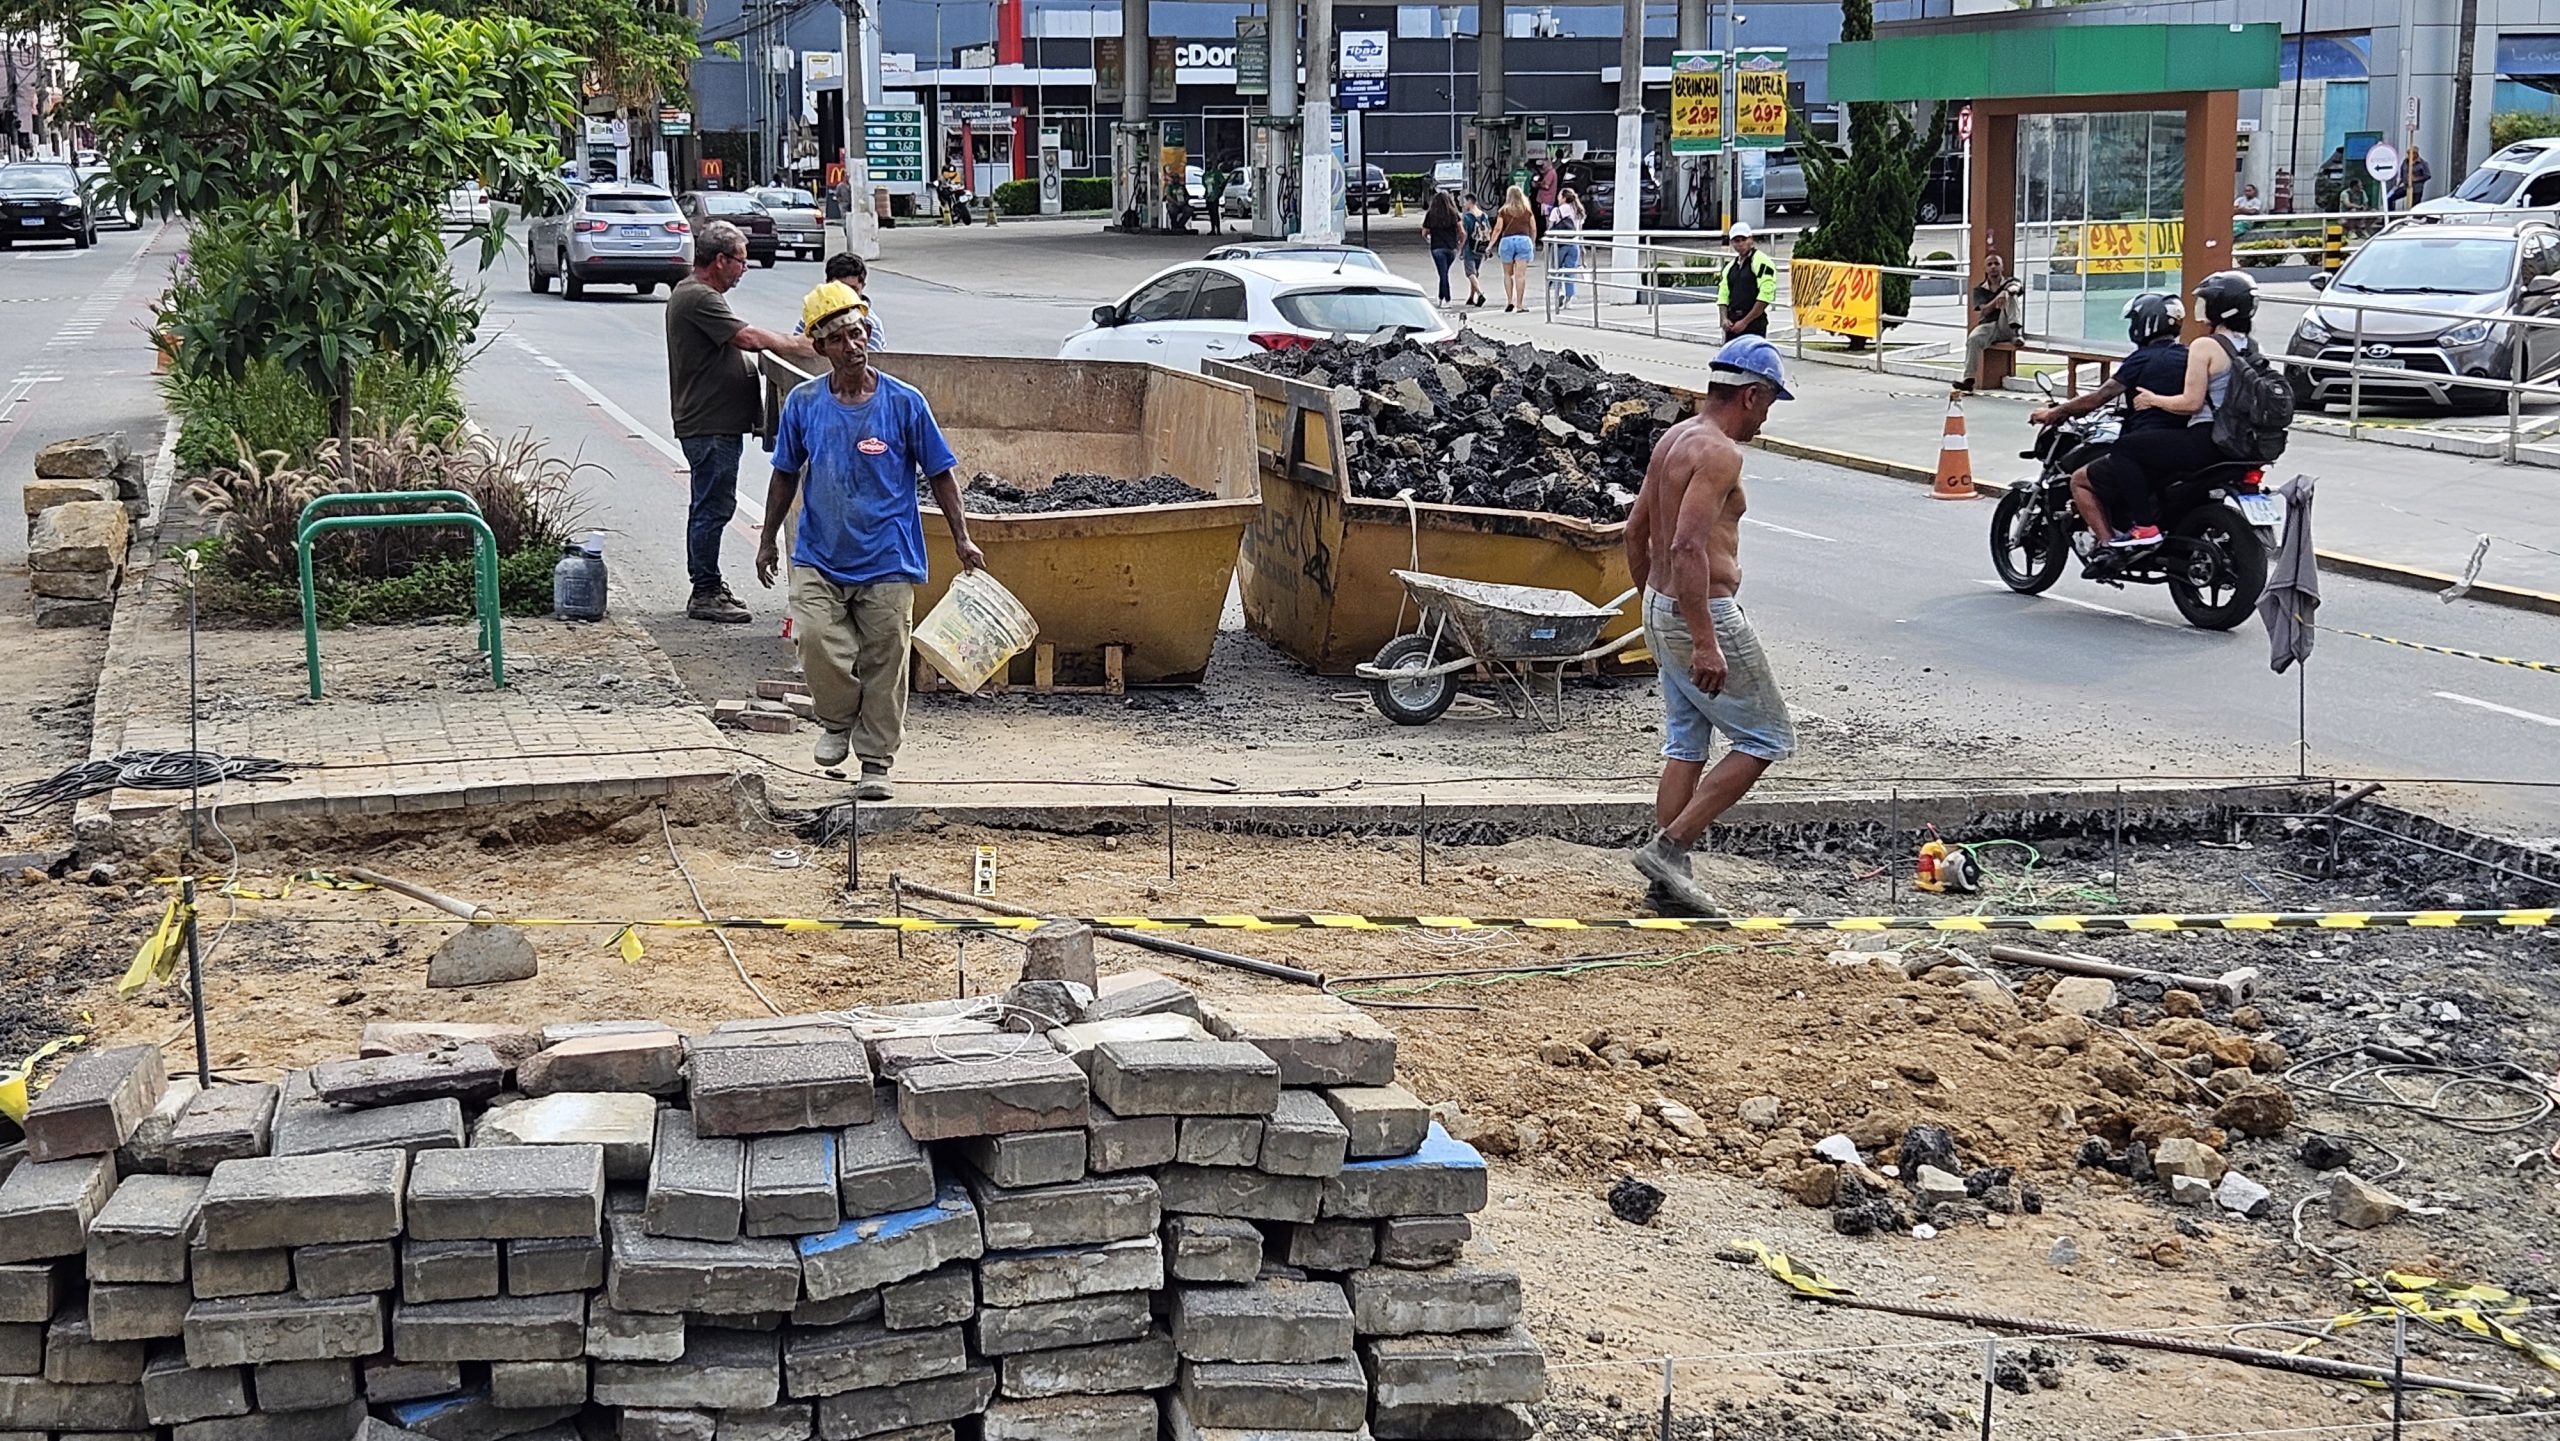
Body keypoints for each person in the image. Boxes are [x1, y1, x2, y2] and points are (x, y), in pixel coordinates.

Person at [755, 281, 986, 798]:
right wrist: (768, 538)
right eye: (838, 339)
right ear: (820, 348)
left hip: (888, 556)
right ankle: (837, 721)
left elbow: (941, 473)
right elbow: (784, 473)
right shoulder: (804, 404)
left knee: (887, 659)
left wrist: (962, 539)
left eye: (857, 333)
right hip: (819, 552)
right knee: (815, 639)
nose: (852, 346)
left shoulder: (905, 403)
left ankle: (877, 761)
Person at [1621, 336, 1797, 916]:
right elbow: (1688, 544)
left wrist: (1656, 603)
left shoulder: (1674, 437)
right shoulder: (1720, 453)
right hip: (1704, 611)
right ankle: (1669, 850)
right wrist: (1703, 638)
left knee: (1687, 743)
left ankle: (1666, 885)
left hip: (1663, 603)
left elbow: (1634, 534)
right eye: (1769, 404)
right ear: (1750, 395)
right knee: (1767, 737)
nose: (1767, 418)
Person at [665, 219, 817, 624]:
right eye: (740, 261)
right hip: (708, 424)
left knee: (712, 504)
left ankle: (709, 583)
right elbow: (748, 338)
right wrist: (801, 345)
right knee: (712, 507)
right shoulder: (698, 296)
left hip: (714, 423)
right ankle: (705, 590)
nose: (744, 269)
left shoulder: (696, 293)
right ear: (719, 260)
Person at [2028, 292, 2191, 565]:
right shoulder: (2187, 356)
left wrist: (2055, 412)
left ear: (2146, 324)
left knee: (2080, 479)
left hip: (2146, 445)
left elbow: (2098, 397)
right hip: (2184, 444)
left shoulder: (2142, 359)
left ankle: (2108, 546)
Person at [1960, 253, 2025, 392]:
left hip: (2006, 324)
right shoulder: (1980, 290)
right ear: (1985, 269)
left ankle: (2016, 332)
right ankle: (1969, 379)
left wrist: (2005, 293)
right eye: (1990, 264)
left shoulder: (2010, 281)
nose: (1993, 267)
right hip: (1989, 326)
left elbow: (2016, 287)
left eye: (1996, 263)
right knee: (1973, 339)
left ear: (2002, 267)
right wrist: (1996, 301)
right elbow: (1984, 311)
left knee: (2011, 296)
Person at [796, 251, 887, 350]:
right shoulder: (814, 317)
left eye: (852, 290)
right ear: (827, 284)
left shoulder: (871, 323)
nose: (844, 296)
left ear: (863, 287)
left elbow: (872, 361)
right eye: (839, 289)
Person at [1717, 223, 1777, 338]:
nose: (1740, 244)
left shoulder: (1762, 262)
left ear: (1751, 239)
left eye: (1743, 240)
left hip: (1754, 324)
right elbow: (1723, 295)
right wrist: (1724, 319)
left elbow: (1766, 295)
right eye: (1736, 241)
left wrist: (1745, 322)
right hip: (1732, 324)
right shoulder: (1730, 267)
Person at [1491, 184, 1538, 312]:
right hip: (1523, 240)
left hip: (1507, 242)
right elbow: (1533, 228)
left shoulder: (1503, 211)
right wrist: (1532, 242)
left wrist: (1490, 245)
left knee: (1507, 274)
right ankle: (1520, 304)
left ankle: (1509, 301)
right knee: (1520, 275)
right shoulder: (1527, 211)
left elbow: (1498, 229)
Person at [1422, 191, 1462, 305]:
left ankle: (1446, 298)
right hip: (1451, 248)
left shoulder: (1431, 214)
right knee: (1444, 273)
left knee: (1443, 273)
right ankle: (1441, 298)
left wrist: (1429, 239)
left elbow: (1424, 232)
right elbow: (1462, 231)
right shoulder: (1454, 213)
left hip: (1437, 247)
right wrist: (1460, 244)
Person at [1547, 187, 1586, 305]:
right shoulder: (1578, 211)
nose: (1558, 198)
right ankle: (1569, 296)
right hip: (1574, 244)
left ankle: (1559, 293)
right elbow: (1580, 230)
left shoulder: (1557, 211)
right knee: (1570, 271)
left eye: (1559, 196)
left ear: (1564, 198)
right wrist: (1582, 247)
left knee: (1556, 269)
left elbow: (1550, 228)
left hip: (1559, 245)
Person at [1457, 193, 1490, 307]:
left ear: (1470, 202)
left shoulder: (1467, 217)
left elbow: (1465, 234)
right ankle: (1471, 297)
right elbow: (1488, 231)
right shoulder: (1484, 215)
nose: (1464, 204)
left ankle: (1480, 294)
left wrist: (1461, 248)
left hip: (1470, 248)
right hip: (1480, 247)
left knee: (1470, 273)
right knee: (1475, 273)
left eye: (1465, 202)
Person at [1204, 163, 1229, 235]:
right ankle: (1212, 230)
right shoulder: (1205, 175)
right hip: (1208, 196)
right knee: (1211, 213)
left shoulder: (1216, 173)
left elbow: (1223, 182)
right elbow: (1205, 185)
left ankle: (1218, 230)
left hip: (1215, 196)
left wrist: (1220, 192)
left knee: (1215, 213)